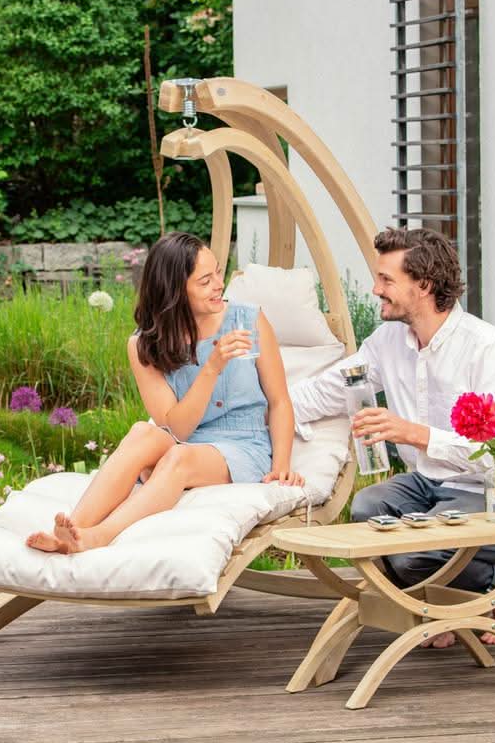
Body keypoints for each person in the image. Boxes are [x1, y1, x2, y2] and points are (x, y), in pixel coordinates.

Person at [289, 227, 495, 648]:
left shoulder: (488, 349)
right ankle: (442, 605)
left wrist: (414, 434)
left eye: (386, 280)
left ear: (423, 285)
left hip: (492, 495)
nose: (375, 289)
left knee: (412, 552)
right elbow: (329, 390)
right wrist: (261, 408)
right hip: (427, 484)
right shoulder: (388, 341)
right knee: (369, 509)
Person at [27, 231, 303, 555]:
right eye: (205, 281)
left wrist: (281, 465)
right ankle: (71, 531)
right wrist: (211, 367)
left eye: (218, 272)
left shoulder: (248, 320)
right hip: (186, 439)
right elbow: (178, 429)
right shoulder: (145, 344)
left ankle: (99, 536)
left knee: (177, 457)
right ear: (175, 291)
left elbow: (279, 401)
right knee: (142, 432)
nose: (219, 284)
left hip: (243, 445)